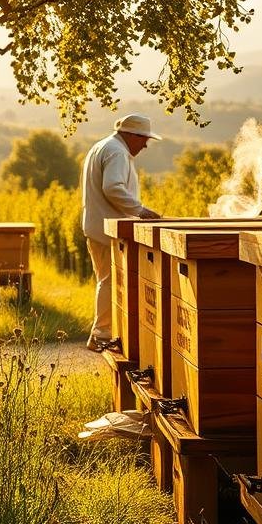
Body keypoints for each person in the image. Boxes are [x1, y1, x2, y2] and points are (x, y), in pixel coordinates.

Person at [81, 114, 162, 352]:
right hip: (108, 230)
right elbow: (112, 187)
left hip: (98, 226)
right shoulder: (117, 152)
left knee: (106, 280)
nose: (146, 145)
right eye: (144, 139)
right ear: (132, 135)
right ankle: (101, 334)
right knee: (109, 281)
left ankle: (106, 332)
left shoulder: (103, 146)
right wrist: (140, 211)